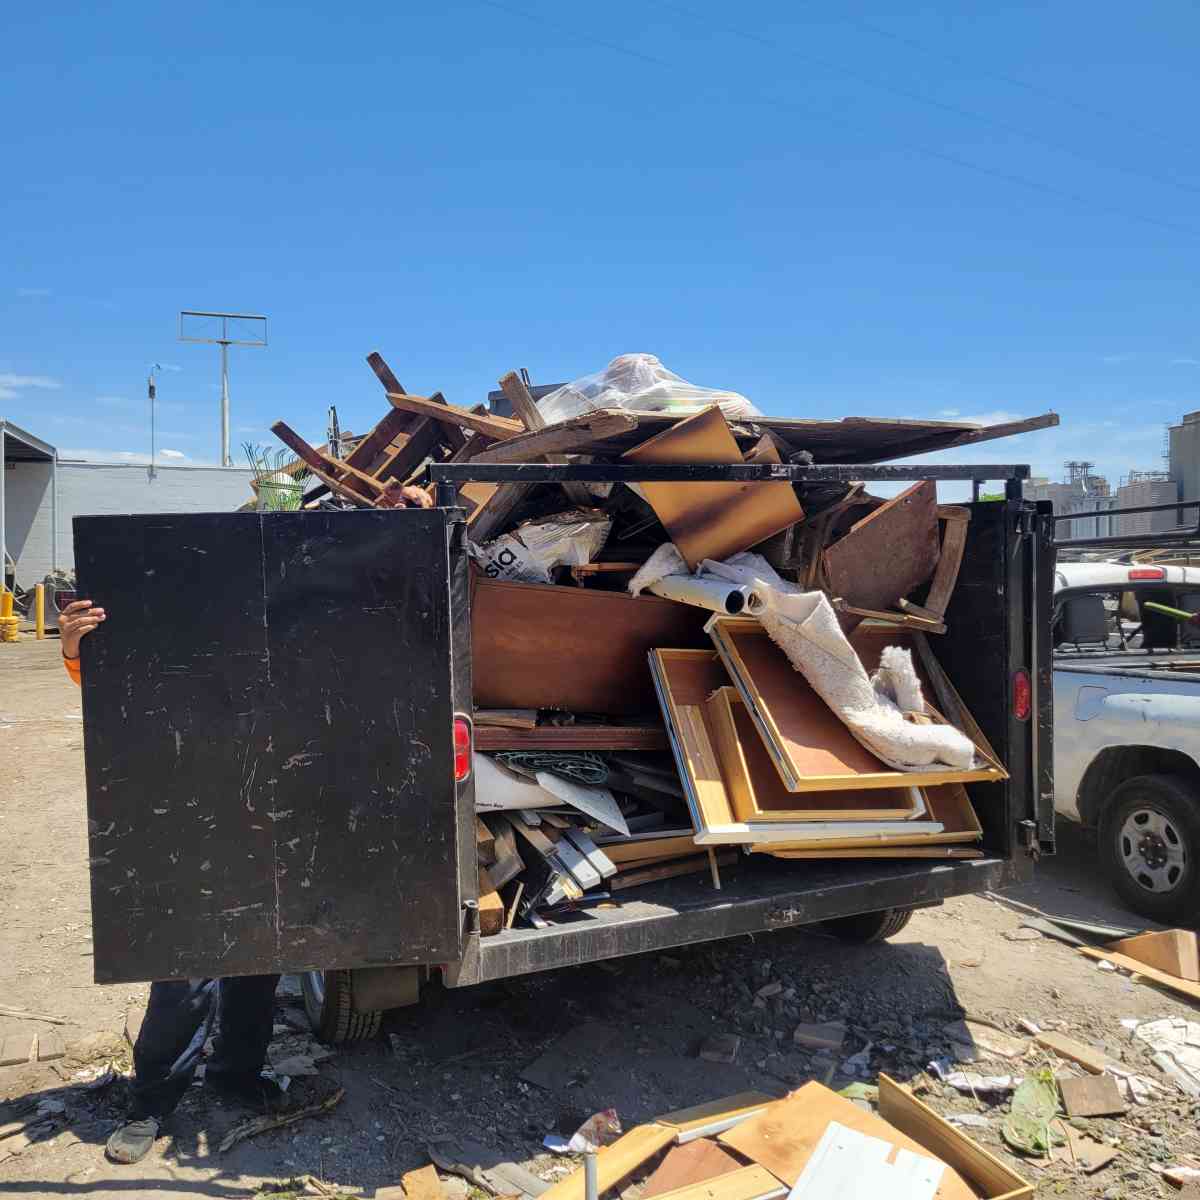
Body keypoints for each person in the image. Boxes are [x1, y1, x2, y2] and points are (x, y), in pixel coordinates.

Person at [60, 599, 291, 1165]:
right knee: (184, 972)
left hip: (265, 809)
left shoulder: (276, 613)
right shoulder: (175, 614)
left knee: (259, 961)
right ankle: (152, 1103)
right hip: (183, 812)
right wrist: (75, 652)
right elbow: (118, 690)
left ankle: (235, 1074)